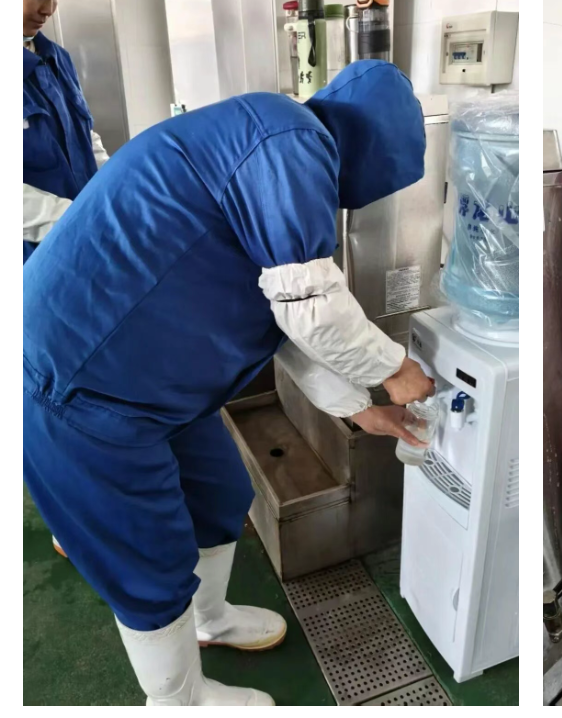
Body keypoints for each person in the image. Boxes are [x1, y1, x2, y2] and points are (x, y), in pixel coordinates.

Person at [23, 60, 436, 706]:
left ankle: (209, 620)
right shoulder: (290, 142)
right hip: (81, 384)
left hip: (156, 378)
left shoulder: (278, 143)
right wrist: (397, 370)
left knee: (219, 493)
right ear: (374, 154)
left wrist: (362, 409)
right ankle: (177, 701)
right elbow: (312, 309)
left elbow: (285, 322)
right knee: (148, 558)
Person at [23, 0, 112, 559]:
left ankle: (94, 492)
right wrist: (77, 222)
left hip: (78, 246)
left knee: (87, 376)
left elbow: (88, 133)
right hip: (31, 257)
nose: (48, 7)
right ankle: (70, 516)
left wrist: (115, 187)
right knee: (49, 391)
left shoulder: (51, 57)